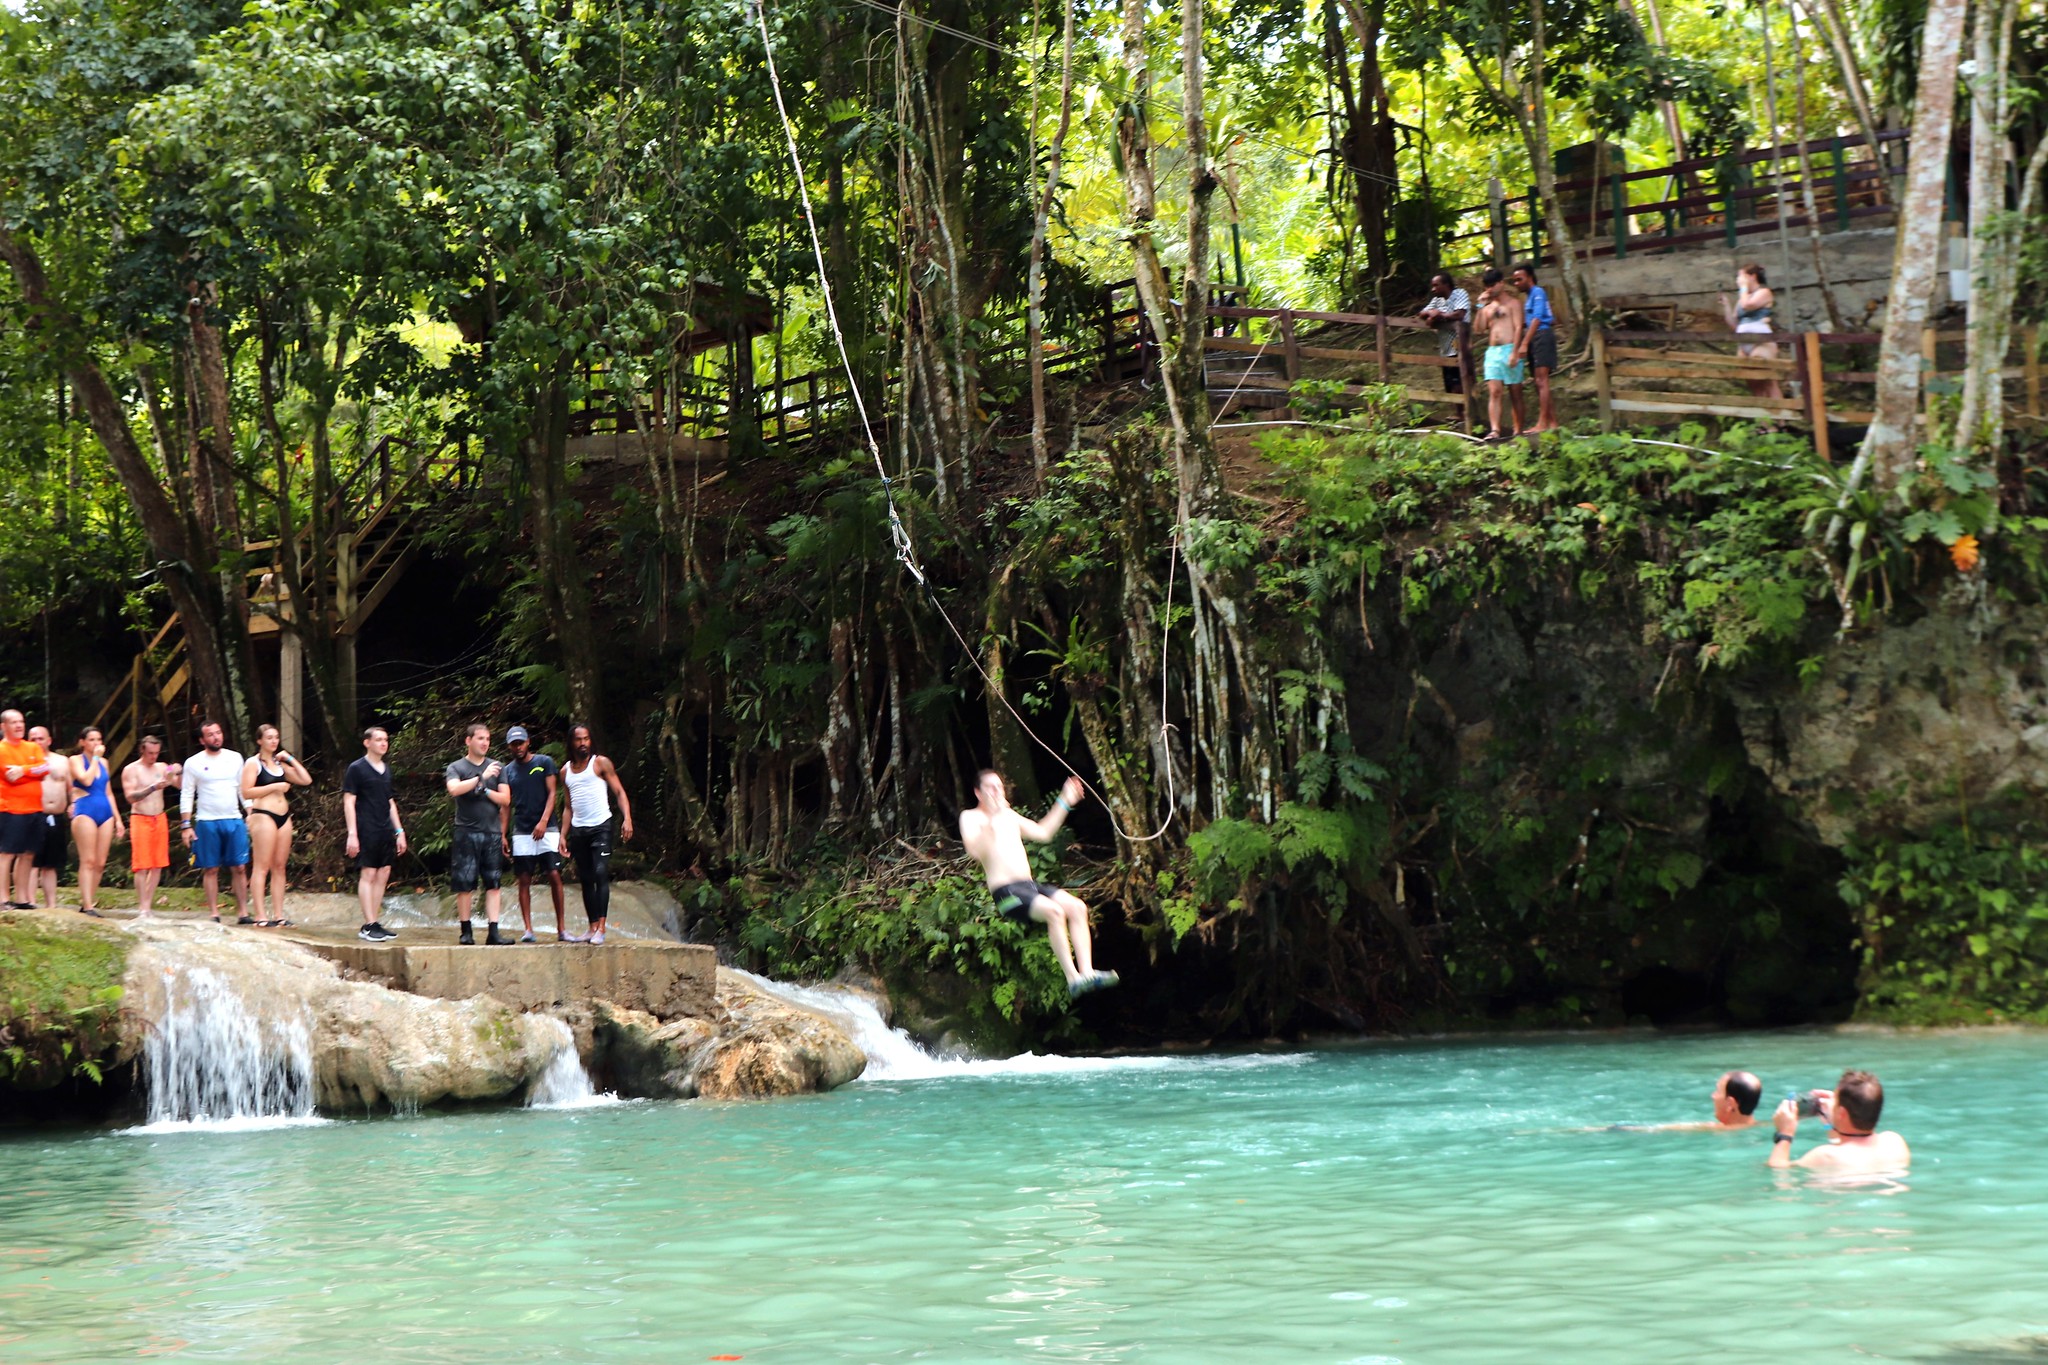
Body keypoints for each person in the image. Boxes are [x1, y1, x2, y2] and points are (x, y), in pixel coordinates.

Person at [959, 769, 1118, 998]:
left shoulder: (1009, 816)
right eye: (990, 788)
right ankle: (1073, 979)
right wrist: (993, 818)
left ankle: (1087, 973)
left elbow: (1043, 833)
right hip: (1006, 894)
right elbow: (975, 850)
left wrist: (1064, 800)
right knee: (1054, 912)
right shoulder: (971, 817)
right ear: (978, 793)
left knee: (1077, 907)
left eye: (999, 787)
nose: (996, 792)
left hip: (1029, 886)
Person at [562, 723, 633, 946]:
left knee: (601, 872)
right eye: (578, 739)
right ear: (571, 742)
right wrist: (563, 835)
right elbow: (567, 807)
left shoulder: (600, 763)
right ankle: (591, 927)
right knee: (585, 878)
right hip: (578, 829)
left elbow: (619, 792)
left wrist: (627, 818)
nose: (583, 743)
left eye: (586, 739)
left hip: (601, 826)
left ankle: (601, 928)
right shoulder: (565, 771)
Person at [501, 725, 571, 943]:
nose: (518, 747)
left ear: (528, 742)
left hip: (547, 828)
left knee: (554, 874)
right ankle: (528, 929)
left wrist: (543, 821)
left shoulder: (544, 763)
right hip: (521, 830)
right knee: (524, 878)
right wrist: (503, 833)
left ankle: (561, 929)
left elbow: (552, 794)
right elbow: (506, 805)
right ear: (509, 746)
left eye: (520, 742)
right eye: (514, 744)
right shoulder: (508, 771)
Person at [444, 722, 511, 945]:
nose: (485, 743)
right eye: (480, 738)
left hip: (491, 832)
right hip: (466, 831)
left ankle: (494, 931)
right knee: (465, 883)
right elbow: (454, 789)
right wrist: (481, 777)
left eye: (488, 739)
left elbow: (506, 799)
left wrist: (485, 789)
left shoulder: (498, 767)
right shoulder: (457, 767)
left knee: (493, 882)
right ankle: (466, 931)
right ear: (468, 741)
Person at [1768, 1069, 1911, 1174]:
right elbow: (1852, 1142)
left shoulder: (1824, 1156)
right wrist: (1832, 1120)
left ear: (1842, 1113)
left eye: (1833, 1099)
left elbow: (1778, 1170)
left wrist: (1785, 1134)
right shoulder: (1894, 1142)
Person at [180, 720, 251, 924]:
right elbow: (187, 794)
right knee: (211, 868)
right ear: (202, 740)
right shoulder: (193, 763)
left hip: (234, 818)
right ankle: (213, 913)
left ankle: (243, 912)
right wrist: (186, 825)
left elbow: (243, 788)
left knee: (239, 866)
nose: (216, 737)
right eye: (210, 735)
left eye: (218, 733)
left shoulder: (235, 758)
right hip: (207, 820)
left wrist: (250, 812)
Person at [240, 724, 310, 928]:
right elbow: (246, 792)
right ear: (259, 740)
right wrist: (274, 787)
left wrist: (289, 758)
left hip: (283, 815)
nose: (273, 741)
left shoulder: (279, 765)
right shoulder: (253, 763)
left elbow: (306, 779)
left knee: (280, 866)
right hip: (263, 815)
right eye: (269, 737)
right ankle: (260, 915)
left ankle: (279, 914)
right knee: (262, 866)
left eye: (276, 737)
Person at [342, 726, 407, 942]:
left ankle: (375, 921)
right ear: (367, 742)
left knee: (384, 872)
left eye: (385, 740)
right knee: (368, 873)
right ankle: (368, 925)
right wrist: (352, 833)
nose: (383, 743)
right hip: (366, 827)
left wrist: (399, 831)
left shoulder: (386, 769)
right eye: (378, 739)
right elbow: (349, 801)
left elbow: (390, 802)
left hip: (385, 828)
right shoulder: (357, 768)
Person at [67, 727, 124, 918]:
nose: (96, 743)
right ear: (83, 742)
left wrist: (118, 819)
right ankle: (87, 904)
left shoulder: (105, 763)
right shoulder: (75, 760)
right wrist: (95, 759)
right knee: (88, 860)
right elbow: (86, 779)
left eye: (99, 739)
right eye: (91, 740)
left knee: (100, 862)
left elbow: (108, 792)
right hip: (85, 809)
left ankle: (88, 903)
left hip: (104, 810)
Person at [122, 734, 179, 918]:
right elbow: (130, 797)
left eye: (156, 753)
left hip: (159, 817)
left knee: (157, 864)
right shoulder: (132, 770)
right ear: (142, 751)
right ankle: (142, 905)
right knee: (142, 864)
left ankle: (148, 904)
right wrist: (152, 788)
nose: (153, 756)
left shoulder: (161, 766)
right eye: (150, 753)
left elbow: (176, 782)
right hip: (140, 817)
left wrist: (176, 769)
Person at [0, 711, 49, 909]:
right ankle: (3, 899)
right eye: (14, 722)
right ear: (3, 726)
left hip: (35, 808)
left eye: (21, 722)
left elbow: (45, 769)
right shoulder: (2, 749)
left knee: (28, 854)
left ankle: (22, 898)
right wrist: (31, 770)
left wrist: (23, 770)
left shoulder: (33, 746)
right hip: (11, 808)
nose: (19, 725)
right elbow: (9, 775)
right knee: (7, 853)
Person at [1474, 269, 1526, 442]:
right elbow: (1479, 329)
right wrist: (1480, 306)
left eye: (1492, 285)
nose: (1490, 289)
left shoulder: (1514, 303)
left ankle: (1518, 430)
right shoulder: (1488, 308)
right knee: (1495, 392)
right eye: (1487, 286)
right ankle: (1495, 430)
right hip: (1493, 352)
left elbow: (1519, 327)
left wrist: (1515, 351)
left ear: (1501, 283)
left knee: (1515, 392)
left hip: (1510, 348)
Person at [1719, 262, 1782, 401]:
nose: (1738, 280)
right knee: (1752, 382)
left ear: (1752, 276)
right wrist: (1727, 305)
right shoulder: (1743, 297)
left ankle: (1781, 420)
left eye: (1741, 276)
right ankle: (1764, 422)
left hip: (1761, 342)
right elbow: (1734, 323)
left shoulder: (1764, 292)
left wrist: (1743, 288)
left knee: (1768, 381)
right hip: (1743, 343)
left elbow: (1749, 305)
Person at [1510, 262, 1559, 433]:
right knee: (1539, 382)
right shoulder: (1529, 296)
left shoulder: (1538, 292)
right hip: (1535, 338)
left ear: (1529, 277)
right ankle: (1553, 423)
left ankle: (1542, 423)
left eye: (1519, 279)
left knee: (1541, 380)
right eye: (1514, 280)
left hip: (1542, 336)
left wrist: (1524, 343)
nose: (1516, 283)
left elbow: (1538, 319)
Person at [29, 724, 69, 911]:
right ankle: (29, 902)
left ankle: (51, 906)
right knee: (30, 861)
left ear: (49, 740)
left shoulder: (62, 761)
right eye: (33, 739)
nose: (37, 742)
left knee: (50, 864)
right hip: (34, 814)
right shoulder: (25, 761)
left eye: (40, 738)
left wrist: (74, 803)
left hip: (56, 815)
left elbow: (71, 787)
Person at [1644, 1070, 1763, 1132]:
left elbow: (1669, 1128)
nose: (1713, 1096)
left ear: (1730, 1103)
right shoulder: (1766, 1126)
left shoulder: (1720, 1131)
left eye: (1717, 1091)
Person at [1419, 273, 1472, 395]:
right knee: (1449, 384)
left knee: (1460, 381)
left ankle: (1466, 412)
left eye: (1436, 285)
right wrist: (1433, 314)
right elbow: (1422, 314)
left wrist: (1439, 315)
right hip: (1445, 348)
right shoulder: (1437, 300)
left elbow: (1459, 314)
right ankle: (1458, 413)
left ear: (1446, 284)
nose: (1433, 289)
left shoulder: (1459, 294)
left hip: (1460, 346)